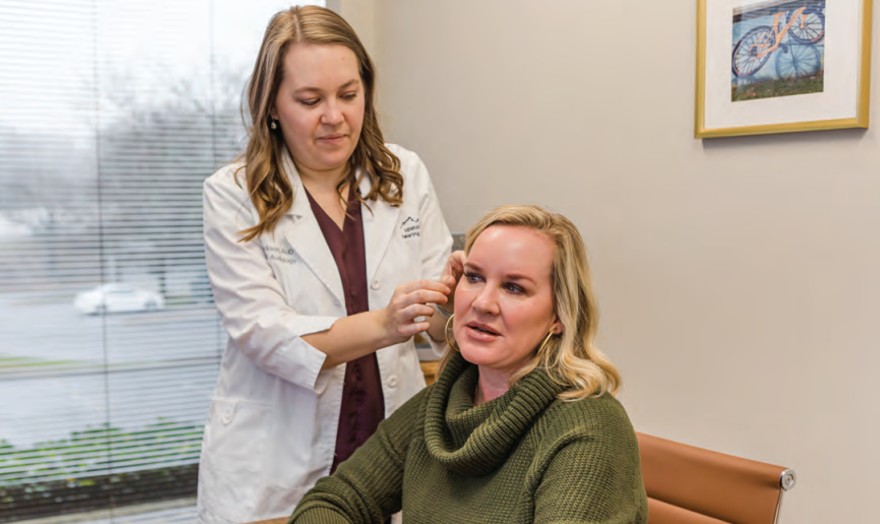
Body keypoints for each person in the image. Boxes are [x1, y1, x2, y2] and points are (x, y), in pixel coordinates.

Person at [197, 6, 455, 523]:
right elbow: (266, 335)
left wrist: (465, 293)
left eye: (349, 94)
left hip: (387, 452)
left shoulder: (404, 174)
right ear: (272, 105)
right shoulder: (233, 194)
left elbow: (440, 319)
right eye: (310, 100)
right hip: (275, 462)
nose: (334, 116)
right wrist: (385, 323)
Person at [288, 204, 648, 523]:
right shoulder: (443, 403)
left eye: (514, 288)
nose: (483, 303)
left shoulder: (588, 429)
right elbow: (331, 501)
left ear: (560, 316)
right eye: (474, 278)